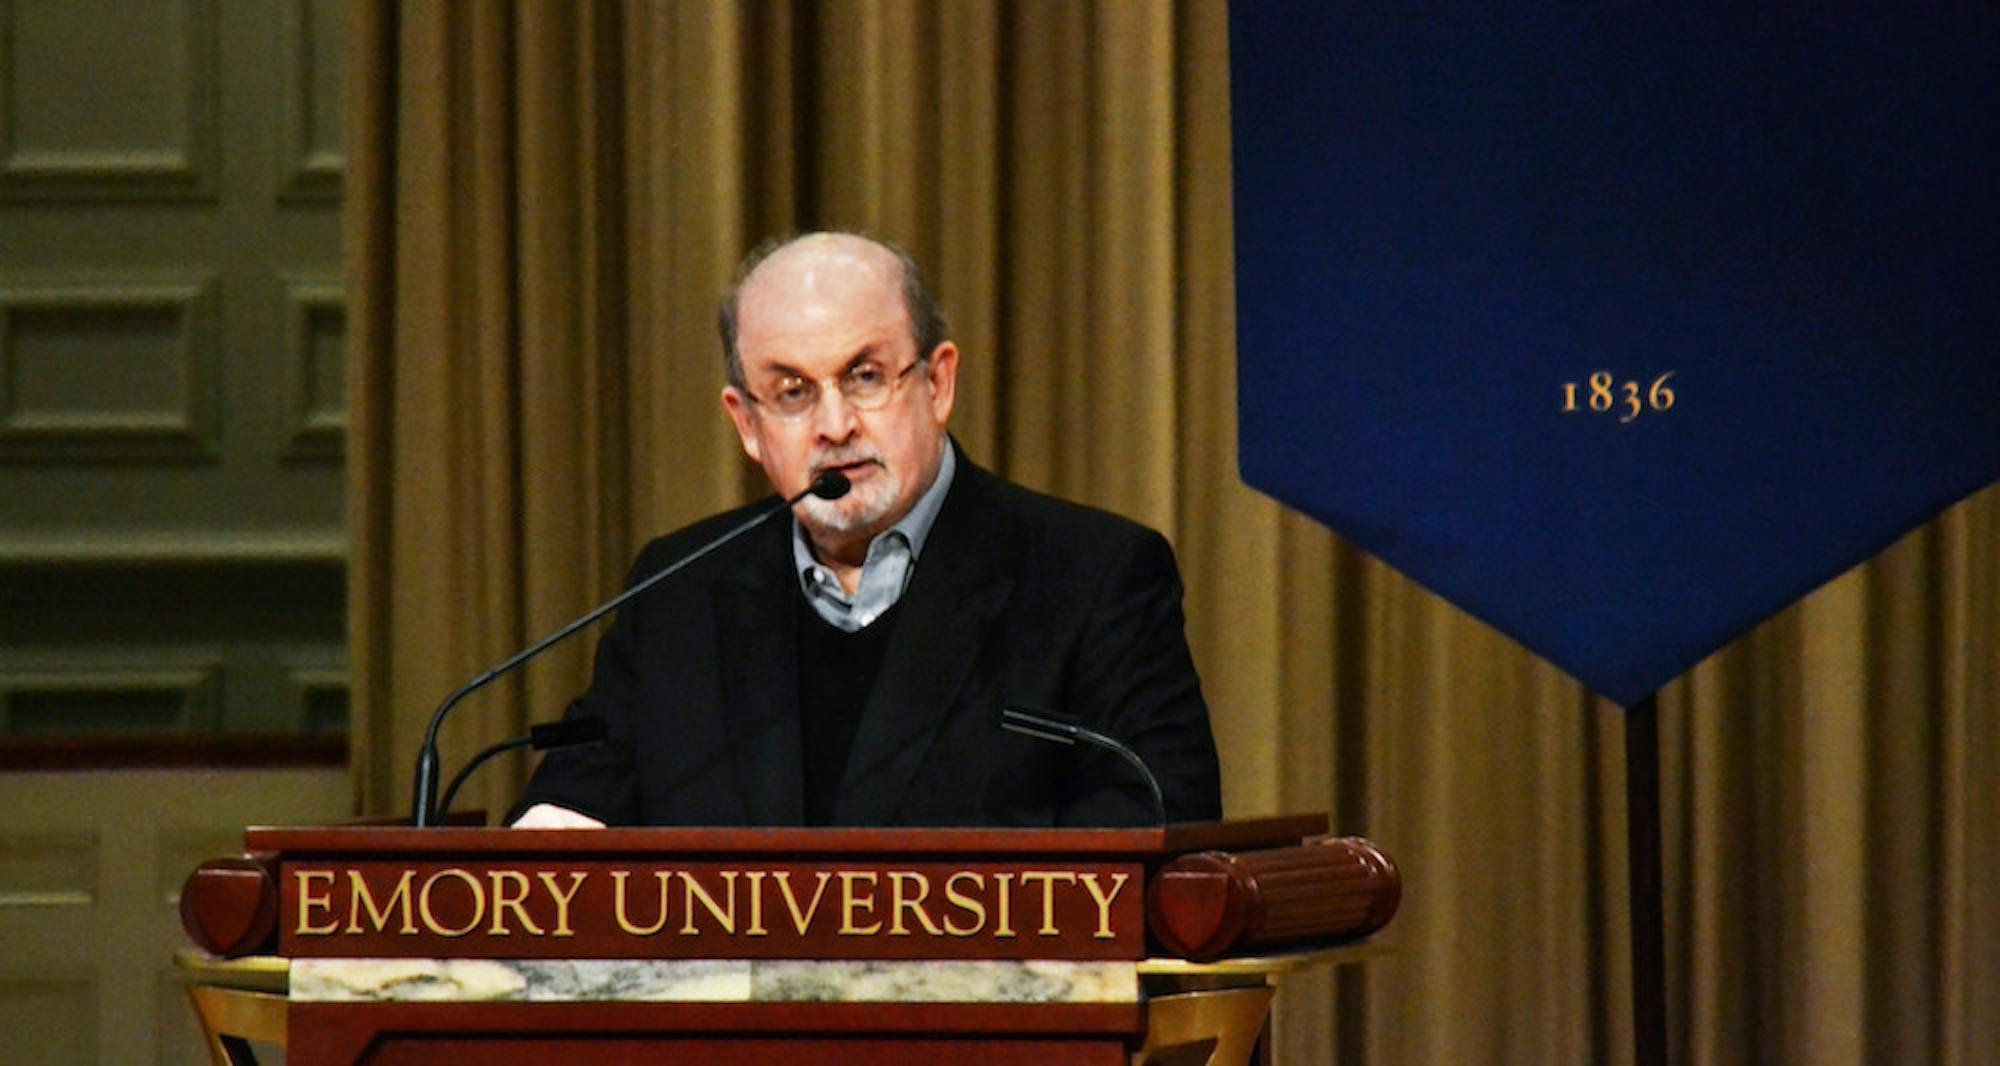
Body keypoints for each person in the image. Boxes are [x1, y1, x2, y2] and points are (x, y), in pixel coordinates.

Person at [512, 232, 1219, 828]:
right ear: (747, 425)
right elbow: (569, 815)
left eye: (865, 376)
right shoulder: (680, 591)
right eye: (792, 393)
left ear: (937, 383)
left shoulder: (1091, 576)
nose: (834, 425)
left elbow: (1164, 816)